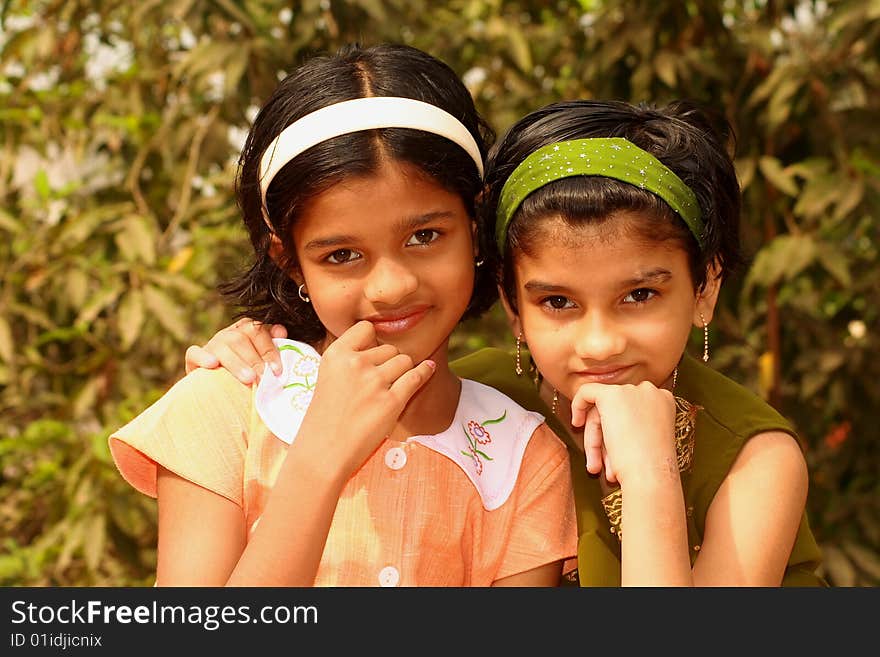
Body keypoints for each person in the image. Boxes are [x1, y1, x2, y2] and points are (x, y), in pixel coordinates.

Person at [187, 98, 826, 586]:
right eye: (557, 303)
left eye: (639, 296)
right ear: (513, 310)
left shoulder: (757, 462)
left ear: (705, 287)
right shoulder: (485, 400)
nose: (599, 343)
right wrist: (255, 355)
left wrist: (652, 474)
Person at [109, 43, 578, 587]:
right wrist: (318, 460)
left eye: (425, 236)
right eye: (342, 255)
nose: (392, 286)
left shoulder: (522, 459)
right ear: (291, 264)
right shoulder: (225, 407)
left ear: (474, 226)